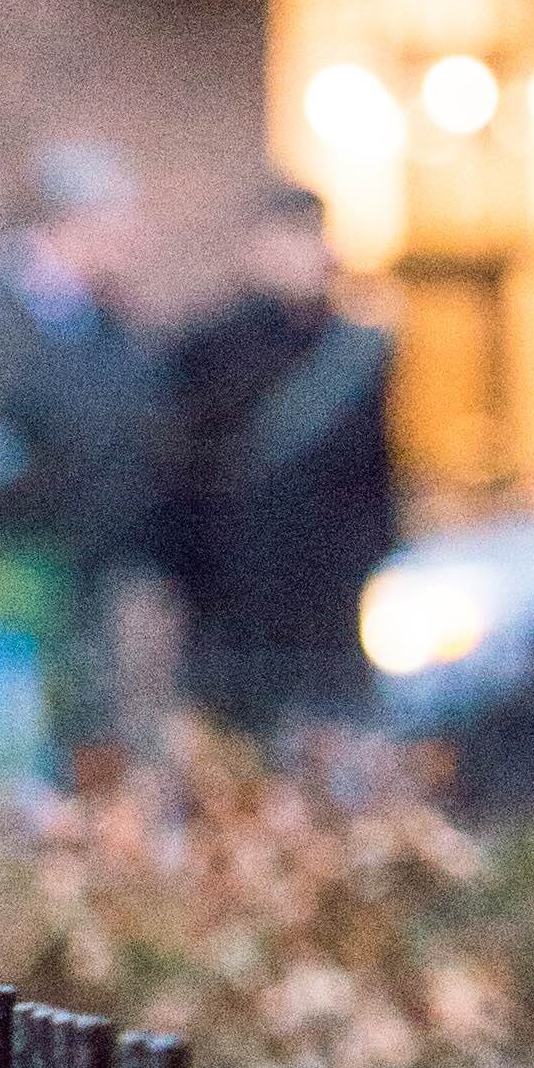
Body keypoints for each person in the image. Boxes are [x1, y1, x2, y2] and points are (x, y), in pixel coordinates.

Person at [0, 138, 171, 793]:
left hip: (81, 585)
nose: (128, 245)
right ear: (68, 223)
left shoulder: (113, 336)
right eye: (116, 227)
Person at [157, 178, 398, 748]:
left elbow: (376, 479)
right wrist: (190, 579)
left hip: (325, 609)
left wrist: (361, 562)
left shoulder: (355, 354)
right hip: (229, 610)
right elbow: (177, 482)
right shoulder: (207, 350)